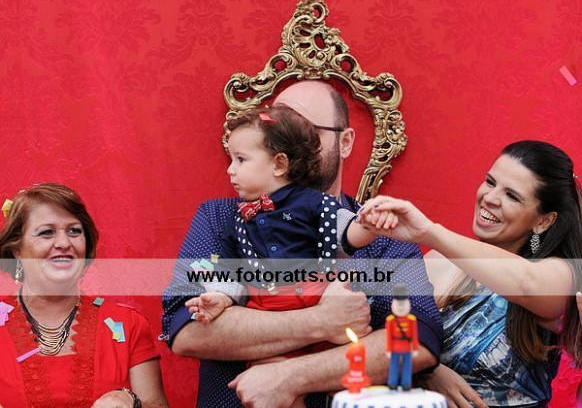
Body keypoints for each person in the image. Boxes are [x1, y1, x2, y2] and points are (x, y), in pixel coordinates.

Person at [162, 81, 443, 408]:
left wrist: (291, 376)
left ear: (345, 142)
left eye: (308, 129)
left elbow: (417, 340)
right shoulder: (221, 218)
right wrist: (322, 321)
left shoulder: (379, 232)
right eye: (278, 130)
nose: (291, 142)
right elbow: (187, 329)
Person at [359, 140, 582, 407]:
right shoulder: (440, 262)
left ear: (543, 220)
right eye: (490, 182)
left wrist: (428, 232)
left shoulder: (560, 275)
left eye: (512, 196)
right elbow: (379, 339)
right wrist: (428, 370)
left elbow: (526, 284)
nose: (490, 198)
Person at [186, 105, 377, 326]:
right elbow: (232, 271)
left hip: (315, 297)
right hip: (264, 311)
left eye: (240, 159)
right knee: (261, 348)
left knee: (342, 341)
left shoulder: (312, 202)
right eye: (231, 159)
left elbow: (348, 234)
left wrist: (370, 224)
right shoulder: (237, 218)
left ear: (279, 164)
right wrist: (221, 297)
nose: (230, 169)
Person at [0, 183, 168, 408]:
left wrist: (132, 401)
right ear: (16, 250)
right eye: (47, 232)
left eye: (74, 231)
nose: (64, 243)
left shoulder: (128, 324)